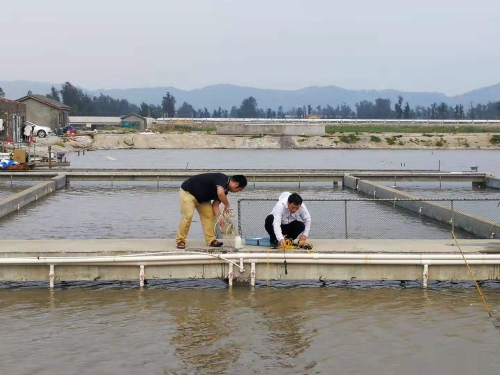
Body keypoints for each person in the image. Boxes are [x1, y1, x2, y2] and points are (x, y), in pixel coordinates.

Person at [176, 173, 247, 249]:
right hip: (188, 193)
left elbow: (215, 205)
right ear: (236, 184)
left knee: (209, 216)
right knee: (188, 216)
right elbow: (220, 193)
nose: (237, 192)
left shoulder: (225, 191)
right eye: (239, 190)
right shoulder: (222, 178)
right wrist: (228, 205)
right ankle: (181, 240)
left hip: (202, 199)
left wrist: (220, 218)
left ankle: (211, 240)